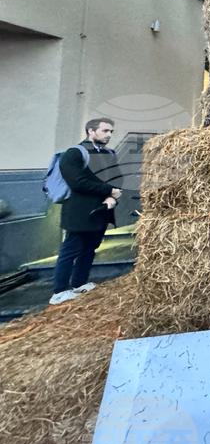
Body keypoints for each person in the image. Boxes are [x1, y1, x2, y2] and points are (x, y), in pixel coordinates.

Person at [49, 118, 121, 305]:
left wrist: (112, 198)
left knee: (90, 248)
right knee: (71, 250)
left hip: (102, 210)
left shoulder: (109, 153)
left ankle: (79, 283)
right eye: (105, 131)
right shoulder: (74, 153)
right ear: (91, 131)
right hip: (79, 212)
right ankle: (59, 291)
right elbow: (78, 183)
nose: (109, 135)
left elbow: (117, 179)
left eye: (111, 131)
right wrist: (109, 191)